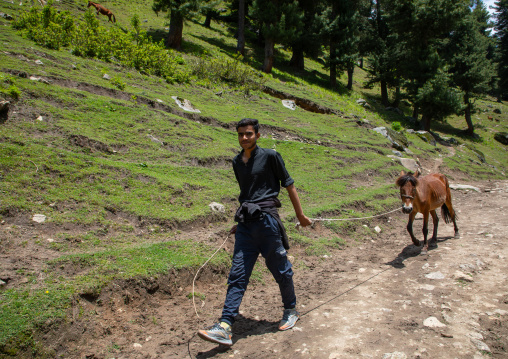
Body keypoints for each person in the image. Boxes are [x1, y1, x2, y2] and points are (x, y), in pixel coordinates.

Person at [197, 118, 312, 346]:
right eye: (240, 134)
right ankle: (225, 325)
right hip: (246, 226)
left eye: (248, 134)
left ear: (258, 135)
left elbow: (289, 185)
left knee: (281, 269)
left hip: (268, 222)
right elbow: (246, 193)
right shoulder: (236, 162)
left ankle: (290, 310)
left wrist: (300, 215)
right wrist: (240, 222)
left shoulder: (270, 156)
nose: (244, 138)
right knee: (237, 274)